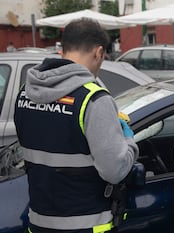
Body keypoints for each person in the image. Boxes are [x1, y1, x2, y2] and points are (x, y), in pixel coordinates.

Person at [13, 18, 139, 233]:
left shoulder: (25, 93)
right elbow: (115, 171)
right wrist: (127, 139)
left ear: (64, 48)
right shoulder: (93, 99)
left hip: (39, 221)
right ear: (98, 52)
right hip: (85, 224)